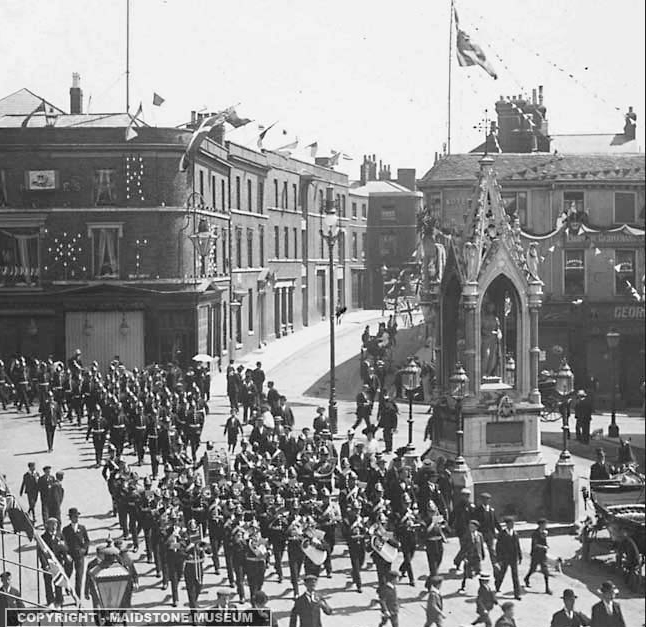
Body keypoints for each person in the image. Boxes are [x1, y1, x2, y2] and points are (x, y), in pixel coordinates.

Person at [61, 507, 90, 597]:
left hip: (79, 555)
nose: (75, 518)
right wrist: (66, 554)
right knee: (68, 573)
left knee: (79, 576)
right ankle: (67, 587)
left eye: (77, 516)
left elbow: (87, 541)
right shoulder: (66, 530)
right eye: (74, 517)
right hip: (70, 554)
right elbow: (63, 542)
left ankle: (78, 596)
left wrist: (84, 550)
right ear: (70, 518)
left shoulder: (82, 528)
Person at [494, 517, 522, 600]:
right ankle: (497, 586)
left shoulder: (515, 534)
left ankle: (517, 594)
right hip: (504, 558)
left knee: (515, 576)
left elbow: (517, 546)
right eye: (510, 524)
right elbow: (498, 547)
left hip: (513, 558)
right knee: (502, 573)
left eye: (513, 524)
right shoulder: (502, 534)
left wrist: (520, 557)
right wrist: (499, 559)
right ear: (507, 524)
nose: (512, 525)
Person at [524, 518, 551, 595]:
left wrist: (546, 545)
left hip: (542, 555)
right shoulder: (535, 534)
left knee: (545, 571)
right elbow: (535, 545)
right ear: (540, 525)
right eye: (544, 524)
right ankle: (527, 578)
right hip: (536, 555)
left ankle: (547, 588)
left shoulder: (544, 533)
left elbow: (544, 542)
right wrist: (543, 547)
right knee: (533, 569)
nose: (545, 526)